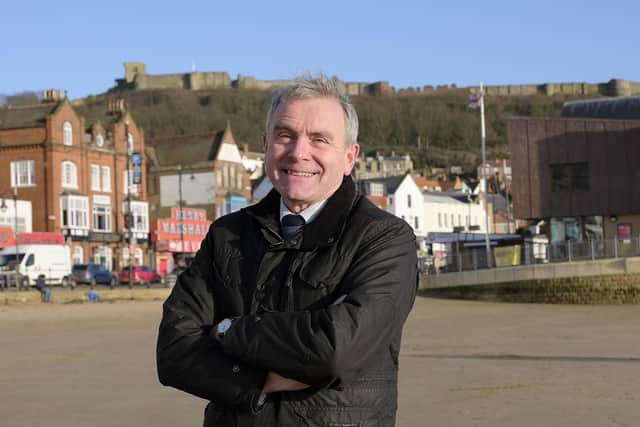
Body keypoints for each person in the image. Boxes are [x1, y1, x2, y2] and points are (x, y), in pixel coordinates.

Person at [157, 75, 417, 426]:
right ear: (266, 145)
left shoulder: (383, 238)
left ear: (349, 157)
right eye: (285, 135)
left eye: (319, 139)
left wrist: (226, 331)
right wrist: (259, 381)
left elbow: (334, 351)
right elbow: (173, 352)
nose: (298, 152)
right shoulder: (227, 234)